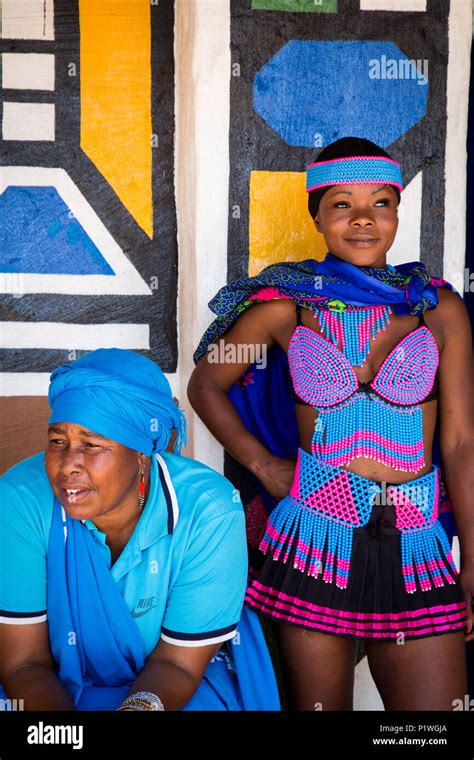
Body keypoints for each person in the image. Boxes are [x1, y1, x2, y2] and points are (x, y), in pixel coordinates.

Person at [188, 137, 474, 711]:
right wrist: (267, 467)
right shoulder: (284, 307)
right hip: (315, 538)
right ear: (316, 214)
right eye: (343, 204)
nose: (364, 219)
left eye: (381, 203)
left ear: (397, 213)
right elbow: (205, 383)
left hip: (416, 541)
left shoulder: (437, 308)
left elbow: (462, 442)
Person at [0, 348, 280, 711]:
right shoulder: (21, 498)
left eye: (92, 445)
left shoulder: (208, 511)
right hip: (49, 683)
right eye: (58, 441)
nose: (68, 464)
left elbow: (176, 664)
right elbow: (24, 663)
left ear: (141, 455)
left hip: (174, 684)